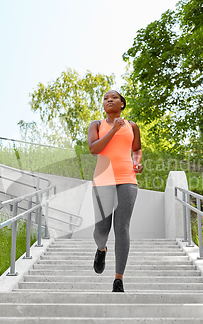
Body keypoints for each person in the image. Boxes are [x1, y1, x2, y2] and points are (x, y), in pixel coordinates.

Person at [87, 90, 143, 292]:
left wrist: (137, 163)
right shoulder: (97, 125)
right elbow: (94, 149)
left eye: (114, 97)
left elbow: (136, 149)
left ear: (122, 104)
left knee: (122, 228)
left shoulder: (132, 127)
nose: (109, 99)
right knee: (102, 229)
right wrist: (113, 130)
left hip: (127, 179)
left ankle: (118, 279)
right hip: (102, 180)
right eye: (105, 98)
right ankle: (101, 249)